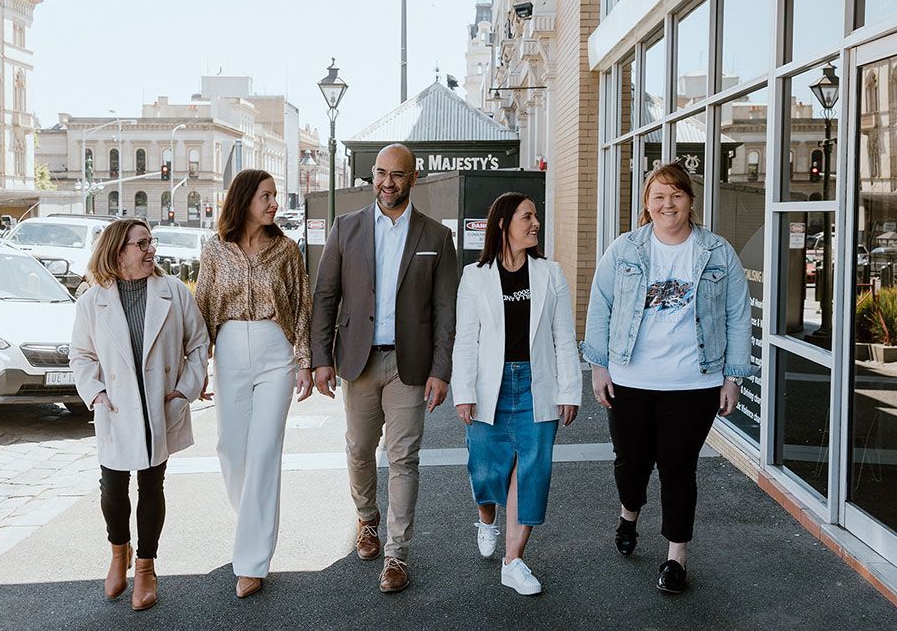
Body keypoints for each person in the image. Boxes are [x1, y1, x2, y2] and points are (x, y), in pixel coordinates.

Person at [581, 161, 755, 595]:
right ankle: (629, 514)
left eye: (676, 195)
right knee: (631, 463)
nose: (668, 204)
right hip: (630, 379)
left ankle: (676, 558)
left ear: (690, 201)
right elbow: (599, 306)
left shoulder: (717, 252)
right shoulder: (624, 250)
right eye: (658, 196)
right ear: (646, 203)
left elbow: (737, 314)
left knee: (678, 468)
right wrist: (599, 367)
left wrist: (733, 376)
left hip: (693, 381)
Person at [310, 143, 457, 593]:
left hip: (409, 365)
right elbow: (325, 297)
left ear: (414, 179)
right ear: (372, 176)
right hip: (359, 360)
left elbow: (445, 308)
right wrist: (321, 359)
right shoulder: (346, 228)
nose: (387, 182)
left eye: (397, 174)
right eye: (380, 173)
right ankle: (366, 519)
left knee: (403, 458)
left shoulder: (435, 237)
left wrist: (442, 369)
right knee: (358, 450)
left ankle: (397, 555)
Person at [69, 219, 209, 611]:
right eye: (142, 244)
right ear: (118, 252)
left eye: (152, 241)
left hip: (159, 405)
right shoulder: (91, 301)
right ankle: (119, 553)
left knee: (151, 484)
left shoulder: (174, 292)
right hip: (114, 408)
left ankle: (146, 567)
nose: (152, 250)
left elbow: (198, 344)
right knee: (112, 488)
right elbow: (80, 355)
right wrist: (95, 394)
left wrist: (185, 390)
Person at [450, 192, 582, 595]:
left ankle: (514, 562)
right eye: (528, 216)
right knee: (486, 469)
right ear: (504, 223)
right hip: (491, 384)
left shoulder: (550, 273)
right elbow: (466, 340)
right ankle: (486, 517)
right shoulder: (475, 276)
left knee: (533, 470)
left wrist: (570, 390)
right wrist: (464, 391)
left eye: (537, 216)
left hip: (535, 383)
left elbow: (563, 336)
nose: (535, 223)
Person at [195, 168, 313, 599]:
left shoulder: (286, 250)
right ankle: (252, 521)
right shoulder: (215, 250)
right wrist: (198, 367)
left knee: (263, 452)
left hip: (274, 349)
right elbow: (202, 306)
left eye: (275, 196)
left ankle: (251, 560)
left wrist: (303, 361)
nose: (274, 203)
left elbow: (302, 305)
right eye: (266, 196)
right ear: (244, 199)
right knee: (231, 448)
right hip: (227, 349)